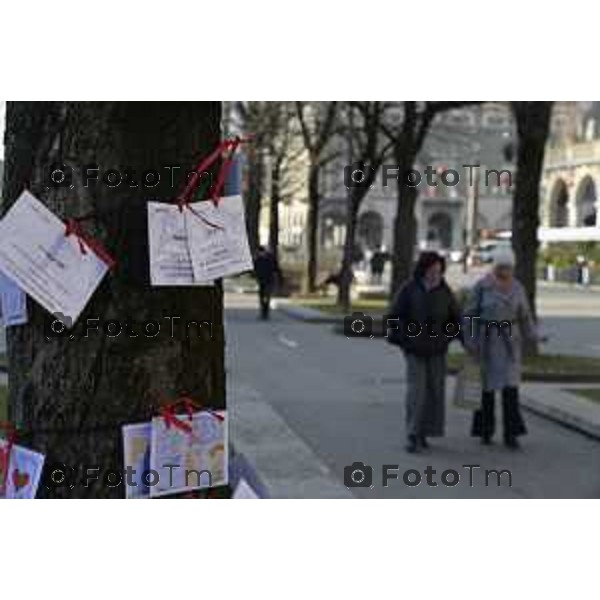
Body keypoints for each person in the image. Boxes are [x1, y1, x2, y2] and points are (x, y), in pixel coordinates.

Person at [463, 247, 542, 449]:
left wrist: (534, 336)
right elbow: (469, 315)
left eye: (508, 268)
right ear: (495, 267)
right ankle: (485, 431)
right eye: (501, 267)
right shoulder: (483, 286)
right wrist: (470, 342)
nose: (505, 272)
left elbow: (525, 316)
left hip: (510, 344)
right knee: (486, 390)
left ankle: (512, 433)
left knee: (510, 390)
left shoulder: (518, 288)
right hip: (487, 342)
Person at [388, 251, 463, 453]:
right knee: (417, 391)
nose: (435, 275)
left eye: (438, 271)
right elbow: (395, 316)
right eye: (431, 270)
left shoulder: (445, 292)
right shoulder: (410, 289)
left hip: (437, 348)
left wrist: (453, 338)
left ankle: (425, 432)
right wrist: (405, 339)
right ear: (423, 270)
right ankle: (412, 433)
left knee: (434, 391)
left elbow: (456, 319)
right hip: (414, 347)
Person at [253, 246, 281, 320]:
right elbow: (255, 270)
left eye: (260, 252)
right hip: (262, 282)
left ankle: (266, 313)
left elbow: (276, 269)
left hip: (269, 281)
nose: (260, 254)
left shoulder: (270, 259)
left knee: (267, 297)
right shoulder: (258, 260)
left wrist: (279, 278)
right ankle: (263, 312)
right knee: (262, 298)